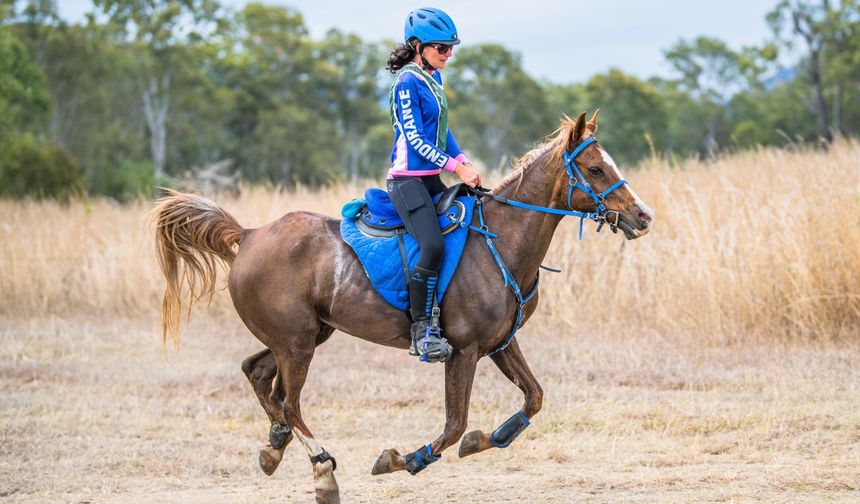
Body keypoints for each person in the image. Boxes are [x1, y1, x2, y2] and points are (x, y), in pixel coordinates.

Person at [385, 7, 481, 363]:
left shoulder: (434, 78)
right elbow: (416, 141)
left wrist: (463, 159)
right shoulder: (406, 83)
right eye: (442, 48)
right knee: (432, 246)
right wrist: (456, 167)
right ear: (417, 46)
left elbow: (443, 131)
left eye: (451, 47)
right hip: (407, 182)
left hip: (430, 179)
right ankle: (422, 330)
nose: (448, 54)